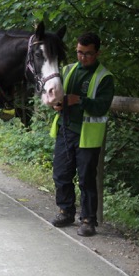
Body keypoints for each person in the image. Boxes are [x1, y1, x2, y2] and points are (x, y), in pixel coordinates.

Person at [49, 32, 115, 237]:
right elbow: (54, 95)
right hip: (65, 129)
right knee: (61, 174)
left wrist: (79, 100)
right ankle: (66, 211)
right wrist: (57, 104)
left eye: (88, 54)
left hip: (88, 136)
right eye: (79, 52)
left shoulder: (104, 77)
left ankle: (88, 220)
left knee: (86, 179)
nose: (83, 57)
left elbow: (102, 107)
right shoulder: (67, 69)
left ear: (97, 53)